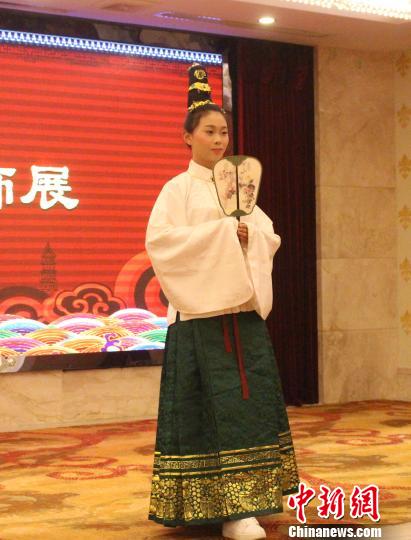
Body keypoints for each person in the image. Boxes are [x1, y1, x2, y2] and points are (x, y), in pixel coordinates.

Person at [145, 63, 299, 540]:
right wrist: (222, 234)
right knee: (208, 413)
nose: (219, 140)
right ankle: (216, 507)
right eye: (209, 131)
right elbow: (162, 243)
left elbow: (269, 234)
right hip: (201, 321)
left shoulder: (237, 186)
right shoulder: (177, 190)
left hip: (242, 317)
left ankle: (249, 502)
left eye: (224, 132)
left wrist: (249, 235)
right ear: (187, 137)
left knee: (248, 411)